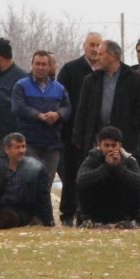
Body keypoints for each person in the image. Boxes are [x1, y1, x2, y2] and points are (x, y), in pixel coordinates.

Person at [73, 40, 140, 157]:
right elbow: (82, 110)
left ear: (112, 56)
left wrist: (131, 126)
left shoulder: (135, 79)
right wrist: (78, 136)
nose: (97, 57)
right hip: (96, 141)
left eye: (101, 54)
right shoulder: (91, 80)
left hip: (125, 142)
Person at [12, 49, 70, 204]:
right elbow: (18, 107)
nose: (40, 67)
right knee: (29, 181)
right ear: (31, 65)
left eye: (44, 64)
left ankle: (42, 214)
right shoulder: (21, 86)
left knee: (46, 183)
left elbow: (68, 108)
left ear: (49, 66)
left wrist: (58, 115)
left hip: (52, 143)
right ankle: (27, 213)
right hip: (29, 142)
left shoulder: (59, 88)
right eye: (37, 64)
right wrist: (38, 115)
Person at [57, 32, 104, 225]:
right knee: (72, 175)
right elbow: (61, 99)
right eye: (91, 45)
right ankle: (68, 213)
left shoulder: (106, 71)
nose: (95, 49)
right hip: (74, 132)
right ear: (84, 46)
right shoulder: (71, 69)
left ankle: (90, 212)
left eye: (98, 45)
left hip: (100, 133)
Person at [75, 126, 140, 226]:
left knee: (132, 183)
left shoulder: (128, 159)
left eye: (114, 145)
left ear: (120, 145)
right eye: (106, 145)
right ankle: (88, 221)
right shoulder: (93, 158)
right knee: (86, 183)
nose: (110, 149)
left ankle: (129, 221)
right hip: (97, 207)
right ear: (99, 145)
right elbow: (81, 179)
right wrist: (106, 167)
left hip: (121, 208)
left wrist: (119, 168)